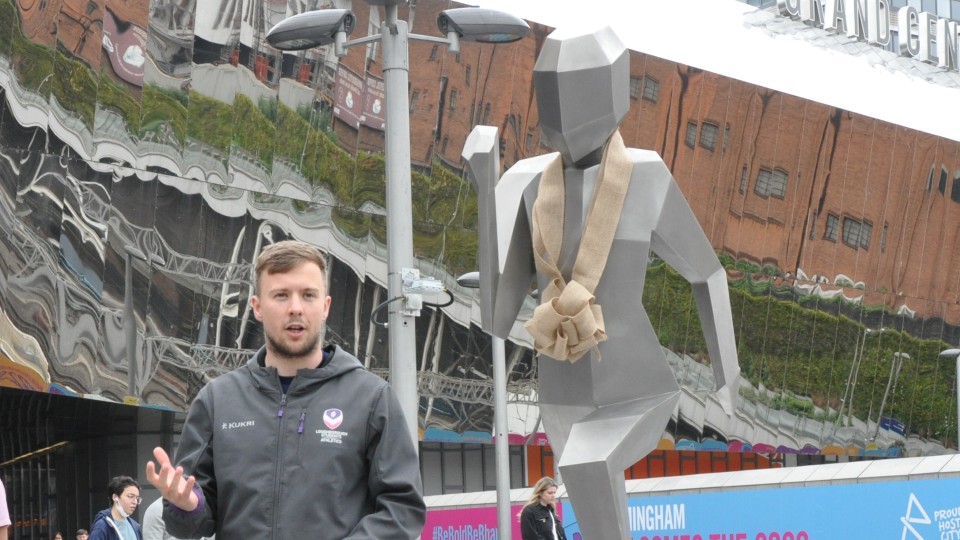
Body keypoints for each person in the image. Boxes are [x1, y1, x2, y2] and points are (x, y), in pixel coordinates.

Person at [462, 25, 740, 540]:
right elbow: (498, 318)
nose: (564, 111)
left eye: (577, 88)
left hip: (635, 387)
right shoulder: (522, 181)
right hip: (562, 390)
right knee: (601, 512)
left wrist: (728, 374)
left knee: (590, 466)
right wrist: (487, 192)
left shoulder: (646, 175)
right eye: (553, 92)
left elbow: (706, 272)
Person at [145, 240, 426, 539]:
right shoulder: (217, 401)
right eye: (281, 295)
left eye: (308, 295)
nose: (295, 308)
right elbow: (191, 521)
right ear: (257, 307)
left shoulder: (371, 399)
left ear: (325, 306)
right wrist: (186, 507)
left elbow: (402, 508)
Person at [88, 476, 143, 540]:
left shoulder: (135, 527)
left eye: (137, 498)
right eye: (130, 496)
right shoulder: (102, 527)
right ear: (115, 497)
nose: (135, 502)